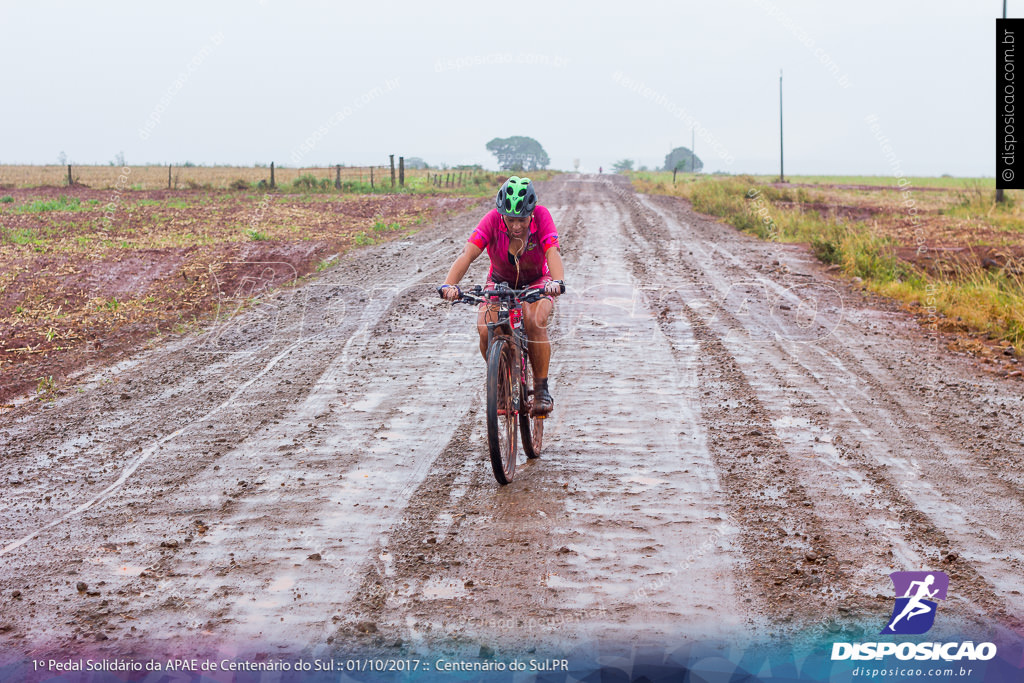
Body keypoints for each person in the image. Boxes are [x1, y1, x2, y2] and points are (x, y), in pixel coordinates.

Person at [439, 176, 564, 415]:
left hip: (538, 281)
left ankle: (541, 390)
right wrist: (449, 285)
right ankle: (500, 379)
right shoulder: (491, 219)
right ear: (501, 214)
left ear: (531, 214)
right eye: (510, 219)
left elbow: (553, 252)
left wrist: (556, 282)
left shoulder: (543, 215)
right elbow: (467, 254)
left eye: (522, 219)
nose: (516, 226)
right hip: (499, 283)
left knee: (534, 320)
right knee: (486, 328)